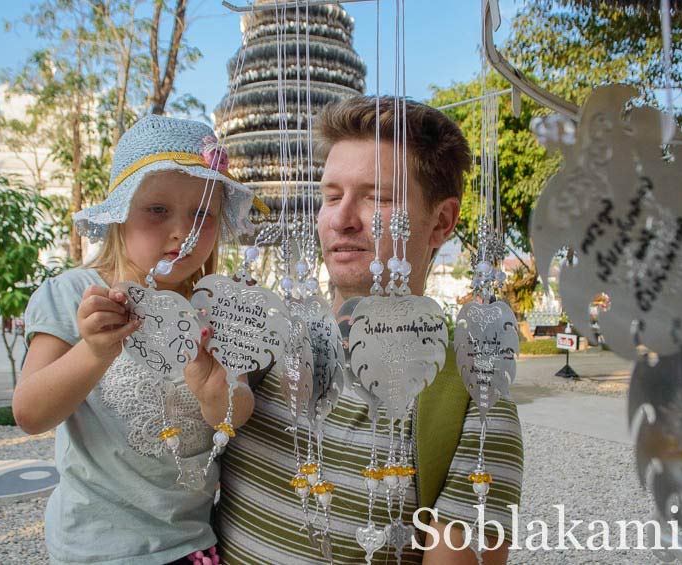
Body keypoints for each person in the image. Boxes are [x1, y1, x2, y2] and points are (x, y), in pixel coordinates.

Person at [217, 97, 524, 564]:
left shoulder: (473, 400)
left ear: (441, 222)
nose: (342, 219)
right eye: (331, 196)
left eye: (377, 197)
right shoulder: (260, 342)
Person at [13, 115, 257, 565]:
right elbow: (30, 412)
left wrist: (212, 392)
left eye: (201, 214)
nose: (182, 232)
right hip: (96, 546)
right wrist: (94, 351)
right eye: (157, 210)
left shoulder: (218, 309)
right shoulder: (73, 296)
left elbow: (236, 414)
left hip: (189, 541)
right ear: (119, 214)